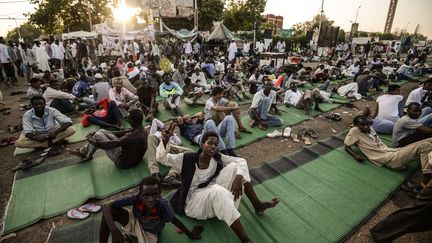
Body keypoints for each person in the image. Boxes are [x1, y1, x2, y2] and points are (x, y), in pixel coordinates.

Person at [156, 131, 280, 243]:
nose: (213, 146)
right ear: (202, 145)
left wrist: (238, 178)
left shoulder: (217, 158)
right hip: (194, 203)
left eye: (216, 144)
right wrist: (165, 141)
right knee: (218, 191)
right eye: (210, 143)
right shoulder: (187, 159)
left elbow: (241, 161)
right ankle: (245, 240)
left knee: (236, 168)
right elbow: (162, 158)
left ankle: (257, 205)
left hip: (211, 191)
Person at [99, 176, 203, 243]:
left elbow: (174, 220)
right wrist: (114, 231)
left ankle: (127, 239)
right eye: (146, 196)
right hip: (135, 222)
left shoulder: (162, 205)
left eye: (154, 195)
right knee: (110, 212)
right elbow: (105, 206)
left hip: (150, 232)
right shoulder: (135, 198)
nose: (150, 200)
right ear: (140, 195)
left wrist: (190, 234)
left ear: (160, 193)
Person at [344, 115, 432, 186]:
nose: (366, 127)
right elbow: (347, 146)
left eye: (367, 124)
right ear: (356, 126)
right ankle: (425, 183)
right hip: (389, 160)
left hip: (392, 151)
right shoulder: (354, 131)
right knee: (425, 145)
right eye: (362, 125)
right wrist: (355, 156)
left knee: (428, 141)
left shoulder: (369, 128)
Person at [72, 109, 147, 169]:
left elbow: (114, 143)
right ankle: (85, 153)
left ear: (132, 121)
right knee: (101, 131)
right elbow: (125, 131)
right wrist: (107, 132)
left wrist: (93, 142)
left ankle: (84, 153)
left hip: (122, 162)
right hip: (134, 159)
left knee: (98, 135)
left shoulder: (131, 136)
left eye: (128, 119)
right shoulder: (143, 131)